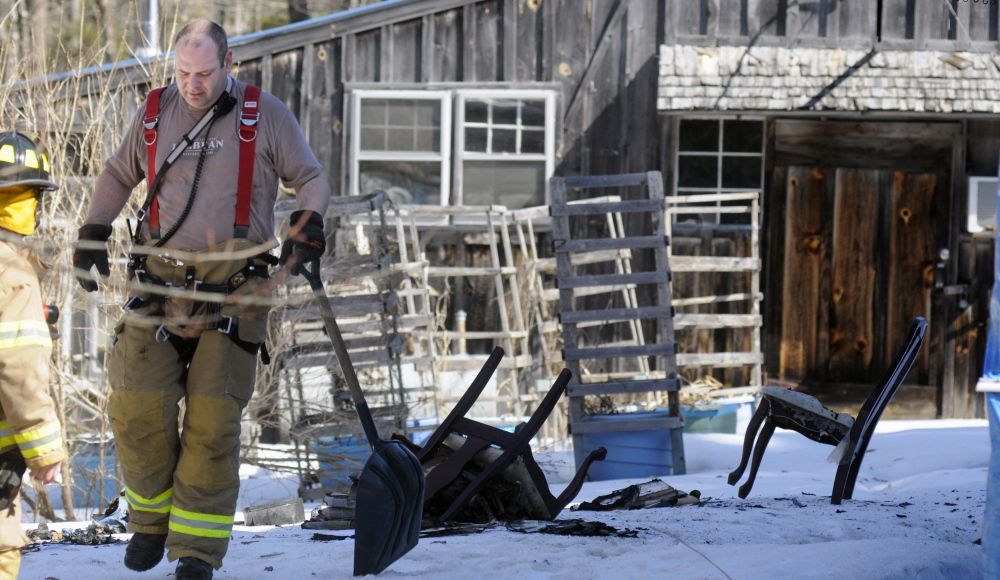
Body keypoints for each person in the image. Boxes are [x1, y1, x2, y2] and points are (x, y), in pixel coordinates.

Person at [71, 20, 330, 580]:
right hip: (157, 285)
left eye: (204, 73)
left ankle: (196, 552)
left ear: (229, 63)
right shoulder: (153, 111)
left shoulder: (265, 115)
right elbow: (119, 174)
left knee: (212, 422)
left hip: (235, 293)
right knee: (136, 405)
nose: (192, 84)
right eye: (183, 73)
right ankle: (150, 521)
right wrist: (94, 228)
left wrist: (307, 226)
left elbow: (311, 179)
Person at [0, 130, 66, 579]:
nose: (36, 207)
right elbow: (19, 372)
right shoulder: (13, 274)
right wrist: (45, 453)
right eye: (29, 196)